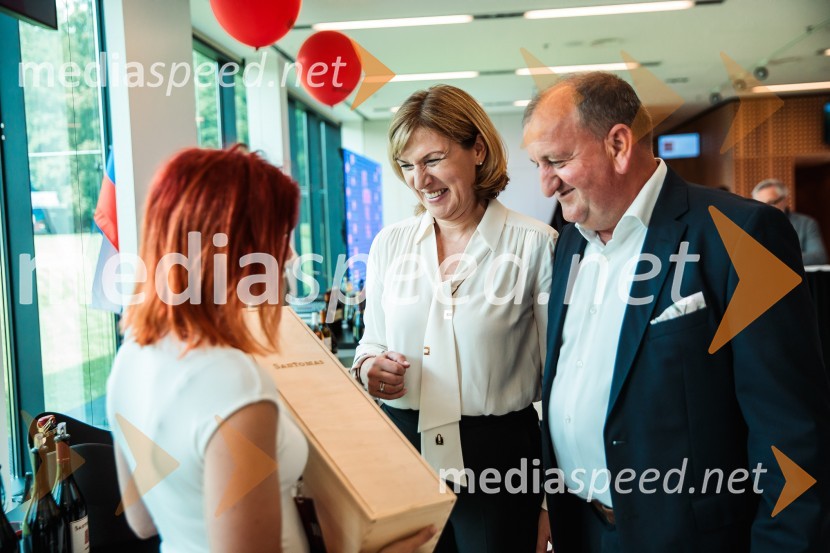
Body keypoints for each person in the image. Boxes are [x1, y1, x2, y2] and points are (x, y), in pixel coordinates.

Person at [522, 72, 830, 553]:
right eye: (537, 165)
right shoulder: (568, 248)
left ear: (619, 145)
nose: (545, 186)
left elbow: (792, 433)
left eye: (557, 161)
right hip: (580, 529)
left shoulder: (740, 234)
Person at [106, 146, 436, 553]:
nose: (292, 256)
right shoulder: (234, 382)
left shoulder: (132, 355)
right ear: (240, 250)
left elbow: (141, 520)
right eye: (281, 237)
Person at [351, 84, 557, 552]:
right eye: (406, 165)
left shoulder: (535, 244)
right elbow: (371, 343)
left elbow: (557, 385)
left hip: (501, 459)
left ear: (477, 150)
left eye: (433, 159)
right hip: (404, 452)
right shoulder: (390, 244)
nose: (419, 180)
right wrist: (369, 368)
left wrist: (549, 498)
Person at [752, 178, 828, 265]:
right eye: (760, 204)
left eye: (771, 202)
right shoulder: (753, 225)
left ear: (784, 200)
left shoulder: (806, 223)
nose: (765, 208)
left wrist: (778, 258)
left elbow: (819, 257)